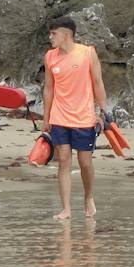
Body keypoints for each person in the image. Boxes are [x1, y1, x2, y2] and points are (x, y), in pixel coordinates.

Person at [42, 16, 109, 220]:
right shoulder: (50, 56)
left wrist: (104, 113)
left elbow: (97, 83)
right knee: (63, 160)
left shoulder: (87, 53)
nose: (50, 37)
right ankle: (66, 209)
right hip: (59, 117)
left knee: (85, 162)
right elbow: (48, 88)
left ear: (66, 34)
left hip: (84, 117)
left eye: (54, 33)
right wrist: (46, 118)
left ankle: (88, 197)